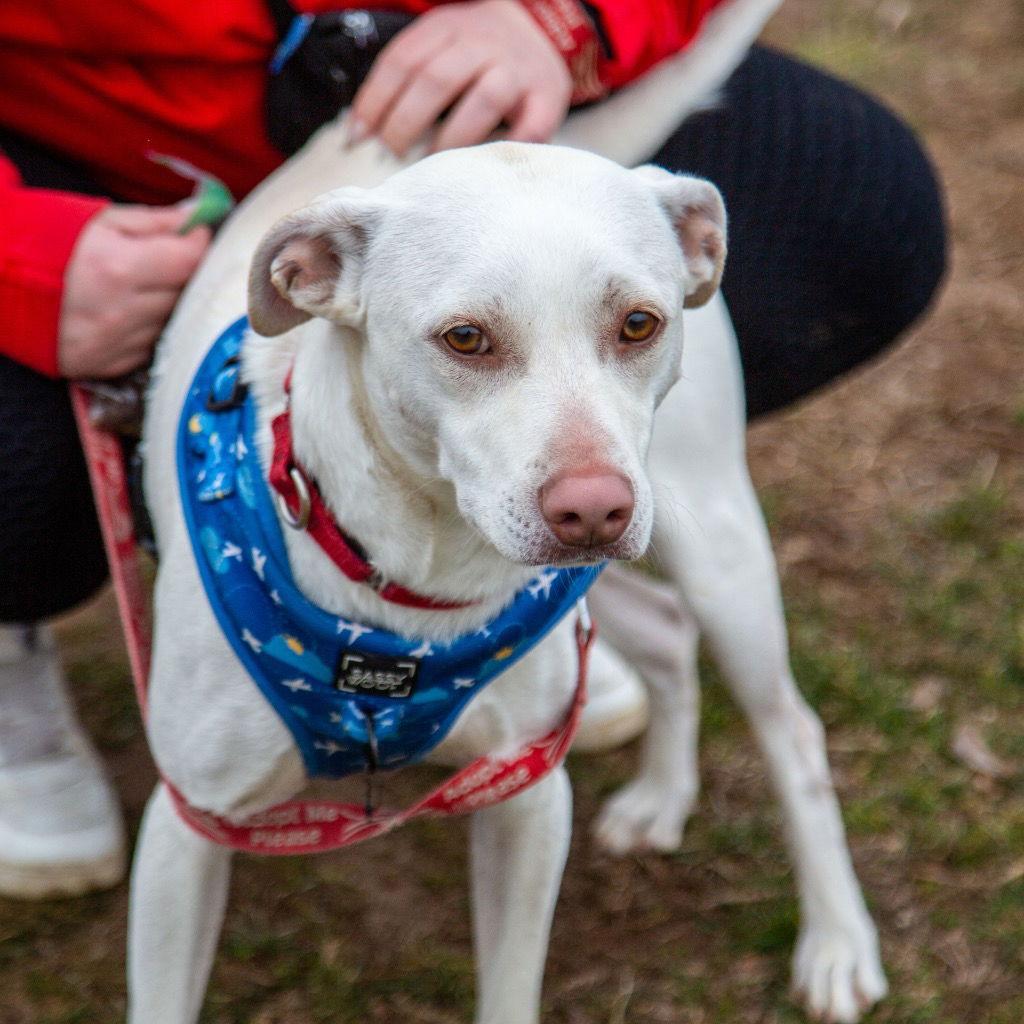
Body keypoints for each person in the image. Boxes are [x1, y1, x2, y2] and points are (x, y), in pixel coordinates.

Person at [0, 0, 946, 898]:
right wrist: (25, 260)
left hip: (484, 120)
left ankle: (528, 576)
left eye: (636, 326)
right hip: (98, 180)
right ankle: (15, 654)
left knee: (859, 194)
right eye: (469, 340)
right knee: (19, 473)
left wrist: (565, 19)